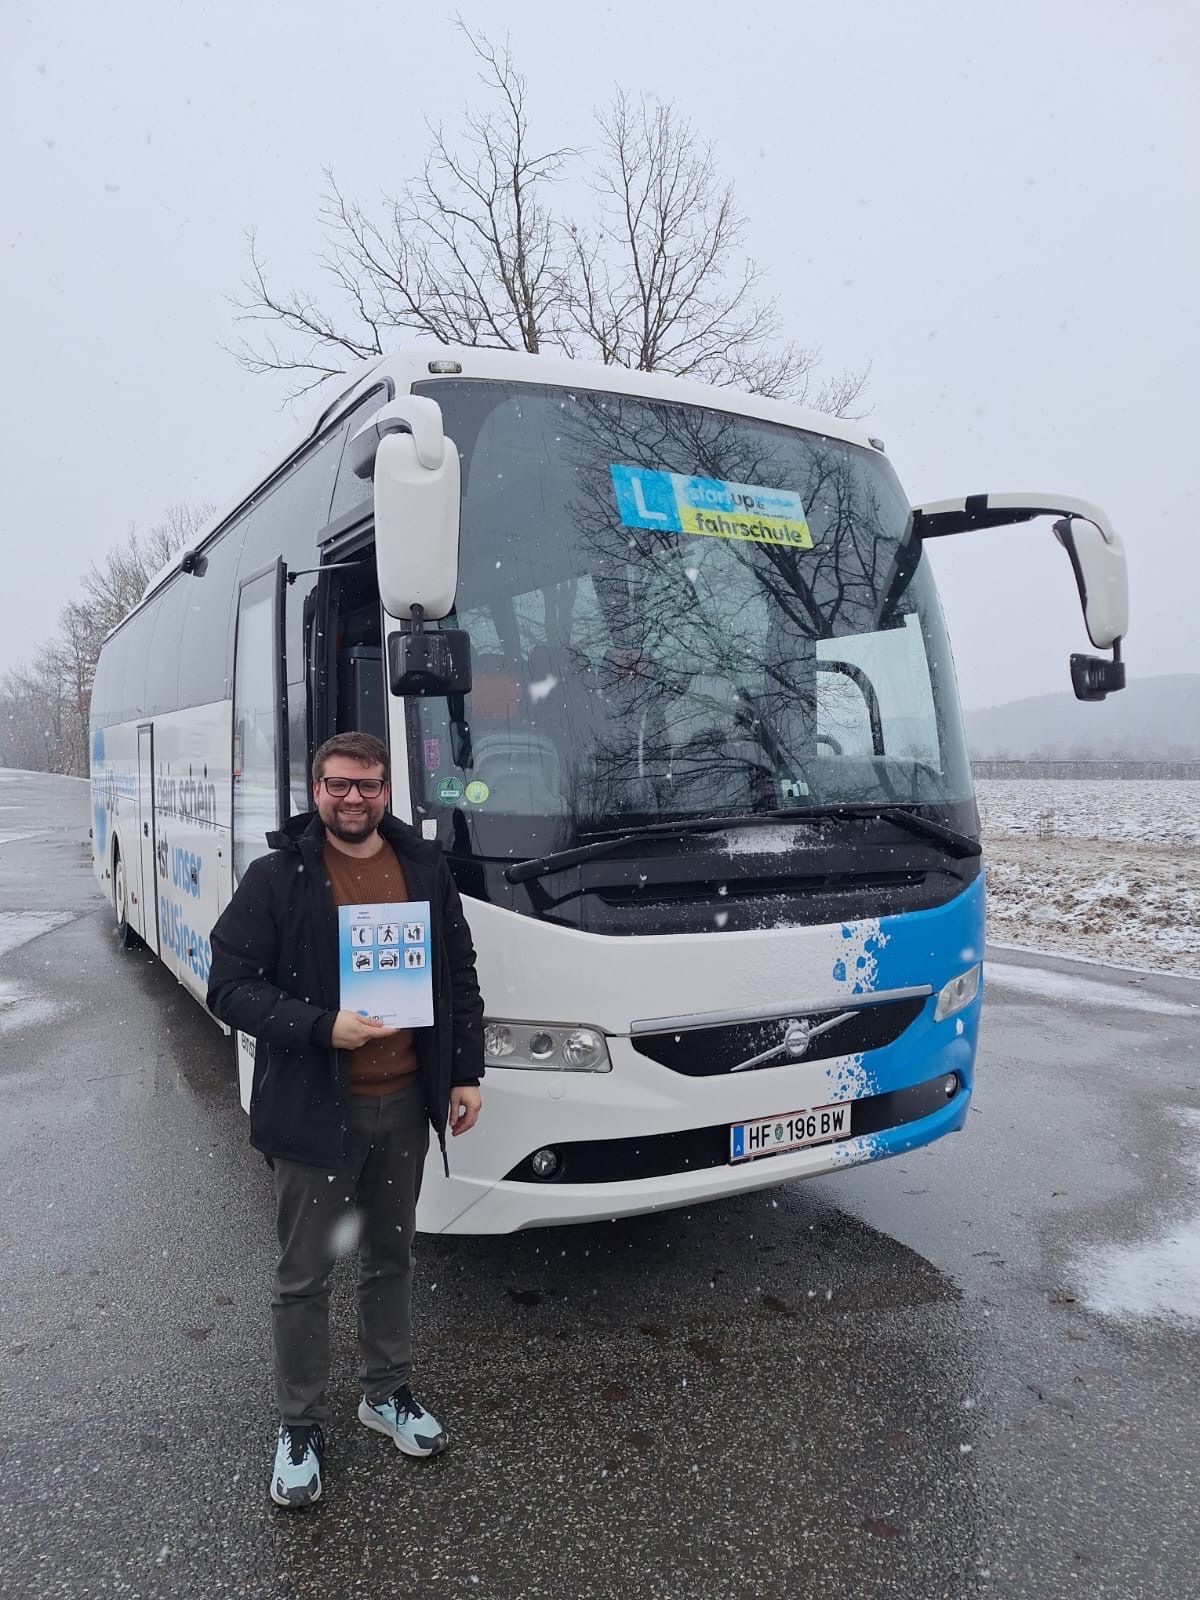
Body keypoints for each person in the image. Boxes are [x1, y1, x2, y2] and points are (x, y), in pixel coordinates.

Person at [207, 731, 484, 1509]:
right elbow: (229, 986)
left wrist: (465, 1072)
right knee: (304, 1276)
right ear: (316, 789)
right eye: (338, 784)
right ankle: (299, 1425)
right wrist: (321, 1025)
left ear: (386, 791)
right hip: (313, 1112)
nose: (352, 798)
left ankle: (384, 1393)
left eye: (366, 785)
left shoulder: (423, 868)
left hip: (404, 1105)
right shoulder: (278, 877)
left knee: (391, 1258)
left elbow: (458, 973)